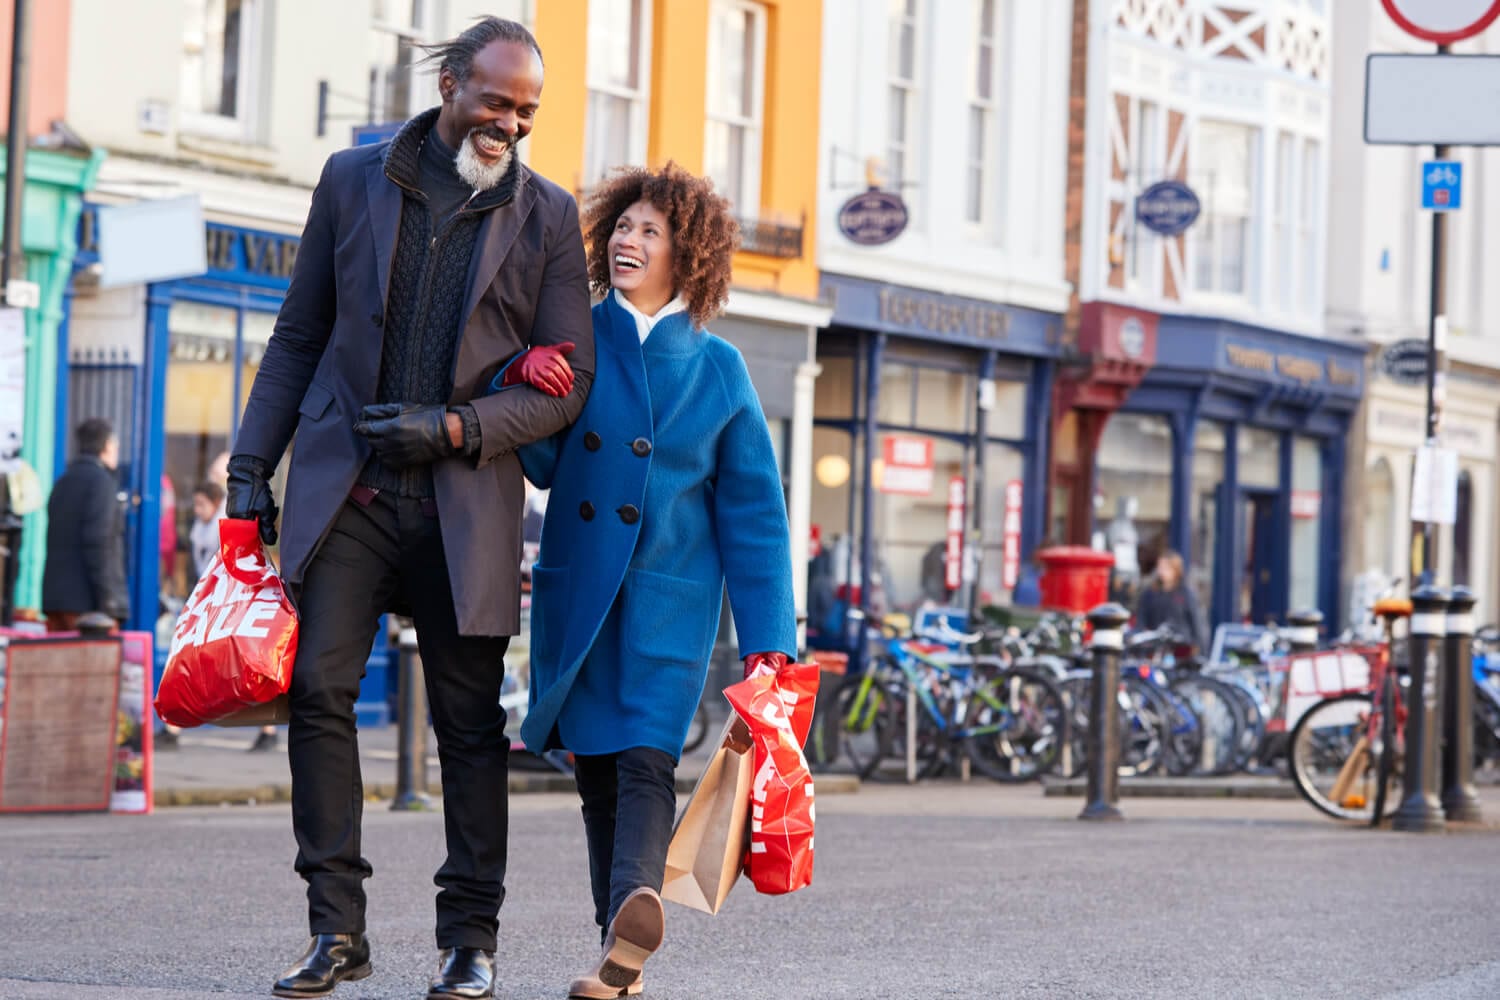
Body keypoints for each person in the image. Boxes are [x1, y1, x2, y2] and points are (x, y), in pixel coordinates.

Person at [223, 17, 592, 1000]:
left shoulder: (549, 216)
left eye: (526, 111)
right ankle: (335, 929)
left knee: (470, 730)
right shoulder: (353, 178)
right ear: (448, 82)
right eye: (495, 100)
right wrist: (251, 465)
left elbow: (567, 382)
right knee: (316, 693)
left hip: (462, 500)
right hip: (348, 491)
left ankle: (470, 939)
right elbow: (300, 333)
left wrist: (456, 428)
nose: (508, 123)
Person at [514, 163, 796, 1000]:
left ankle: (629, 921)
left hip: (670, 607)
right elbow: (538, 461)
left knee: (644, 761)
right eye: (624, 227)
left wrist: (770, 644)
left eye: (651, 231)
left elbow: (756, 519)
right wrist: (523, 382)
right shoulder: (577, 336)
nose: (630, 241)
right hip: (582, 597)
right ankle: (622, 946)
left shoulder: (720, 369)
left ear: (688, 254)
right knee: (596, 772)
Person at [42, 418, 129, 632]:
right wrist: (109, 604)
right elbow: (98, 545)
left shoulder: (62, 482)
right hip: (88, 610)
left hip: (55, 601)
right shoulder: (102, 483)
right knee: (98, 666)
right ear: (107, 446)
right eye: (115, 445)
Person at [1135, 549, 1207, 652]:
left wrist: (1201, 651)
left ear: (1176, 570)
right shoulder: (1149, 594)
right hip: (1155, 649)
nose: (1162, 571)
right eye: (1160, 567)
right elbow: (1141, 623)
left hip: (1181, 650)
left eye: (1166, 568)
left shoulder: (1186, 593)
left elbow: (1197, 624)